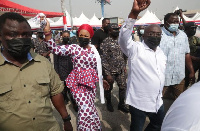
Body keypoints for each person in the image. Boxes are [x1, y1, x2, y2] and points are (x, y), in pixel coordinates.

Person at [0, 12, 73, 131]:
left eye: (25, 35)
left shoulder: (43, 63)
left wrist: (66, 119)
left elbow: (55, 92)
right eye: (13, 35)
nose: (20, 39)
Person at [44, 19, 110, 130]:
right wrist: (47, 32)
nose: (83, 37)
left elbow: (96, 67)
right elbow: (54, 49)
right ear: (78, 35)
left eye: (86, 35)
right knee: (85, 109)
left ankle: (94, 128)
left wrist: (101, 79)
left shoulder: (94, 50)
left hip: (90, 84)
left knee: (91, 108)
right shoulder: (74, 48)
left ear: (90, 36)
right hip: (78, 84)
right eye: (81, 35)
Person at [119, 0, 167, 130]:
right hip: (139, 102)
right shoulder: (135, 49)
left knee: (158, 124)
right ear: (143, 35)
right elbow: (123, 38)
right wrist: (134, 13)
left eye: (158, 34)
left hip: (157, 101)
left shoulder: (161, 53)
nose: (155, 36)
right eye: (151, 34)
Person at [160, 12, 195, 114]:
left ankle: (176, 120)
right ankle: (158, 122)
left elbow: (187, 54)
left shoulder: (183, 35)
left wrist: (191, 71)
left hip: (179, 76)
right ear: (166, 23)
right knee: (157, 102)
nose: (176, 23)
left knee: (180, 102)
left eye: (177, 21)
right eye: (173, 22)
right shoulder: (159, 34)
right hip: (162, 76)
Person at [100, 23, 129, 113]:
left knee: (123, 87)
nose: (117, 31)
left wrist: (124, 65)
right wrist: (107, 74)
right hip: (110, 72)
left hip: (120, 70)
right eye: (114, 29)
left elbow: (124, 54)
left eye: (118, 29)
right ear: (109, 31)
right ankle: (109, 103)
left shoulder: (121, 41)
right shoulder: (105, 43)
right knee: (109, 89)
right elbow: (103, 59)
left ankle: (121, 104)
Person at [53, 30, 78, 112]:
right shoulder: (58, 47)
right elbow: (55, 61)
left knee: (72, 88)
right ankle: (64, 100)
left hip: (71, 70)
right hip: (62, 69)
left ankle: (74, 103)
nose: (66, 38)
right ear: (61, 36)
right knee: (64, 88)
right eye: (64, 36)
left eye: (67, 36)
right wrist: (57, 72)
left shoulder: (72, 46)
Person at [184, 22, 200, 87]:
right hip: (185, 64)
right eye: (192, 28)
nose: (194, 30)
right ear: (186, 29)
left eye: (195, 28)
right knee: (185, 80)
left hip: (195, 63)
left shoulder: (195, 39)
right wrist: (192, 57)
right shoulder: (182, 38)